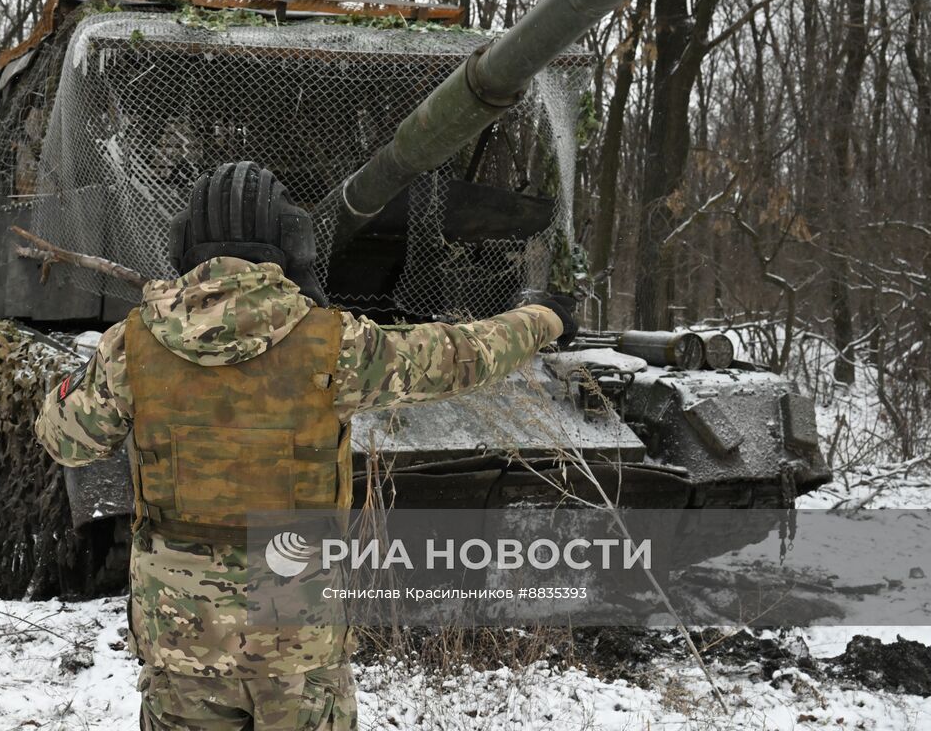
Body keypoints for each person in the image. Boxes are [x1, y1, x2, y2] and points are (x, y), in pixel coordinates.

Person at [35, 161, 576, 731]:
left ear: (182, 244)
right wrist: (542, 318)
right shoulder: (335, 344)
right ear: (292, 241)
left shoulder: (133, 346)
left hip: (181, 644)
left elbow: (62, 438)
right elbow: (461, 355)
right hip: (300, 642)